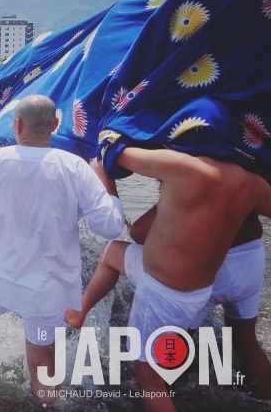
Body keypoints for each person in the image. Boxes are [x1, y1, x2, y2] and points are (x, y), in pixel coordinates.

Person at [0, 95, 125, 403]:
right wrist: (109, 187)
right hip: (48, 290)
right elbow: (110, 227)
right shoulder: (76, 167)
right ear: (56, 125)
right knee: (44, 370)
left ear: (17, 124)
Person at [75, 147, 271, 411]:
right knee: (246, 340)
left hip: (197, 275)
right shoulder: (250, 177)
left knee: (152, 378)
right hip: (247, 263)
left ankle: (80, 310)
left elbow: (114, 152)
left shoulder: (182, 168)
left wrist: (108, 186)